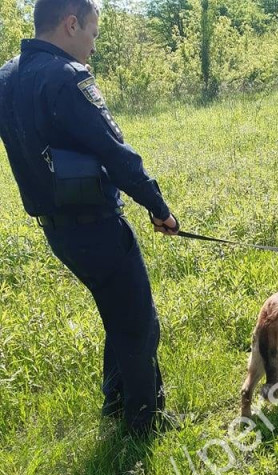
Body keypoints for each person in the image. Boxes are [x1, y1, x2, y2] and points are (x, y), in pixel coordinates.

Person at [0, 0, 180, 436]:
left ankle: (115, 402)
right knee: (139, 321)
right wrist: (159, 208)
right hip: (95, 225)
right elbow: (115, 153)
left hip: (58, 233)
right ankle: (145, 422)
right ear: (71, 23)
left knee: (116, 310)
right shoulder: (66, 78)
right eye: (94, 35)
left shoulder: (6, 77)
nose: (94, 47)